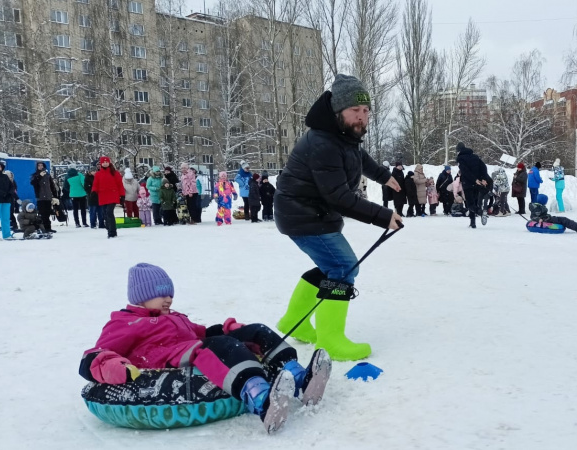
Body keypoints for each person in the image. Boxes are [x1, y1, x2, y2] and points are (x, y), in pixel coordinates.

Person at [78, 263, 332, 434]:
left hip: (190, 346)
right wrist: (114, 366)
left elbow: (199, 332)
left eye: (170, 293)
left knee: (256, 330)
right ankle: (262, 400)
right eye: (161, 293)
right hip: (168, 359)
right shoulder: (126, 322)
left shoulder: (173, 316)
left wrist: (230, 329)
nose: (169, 298)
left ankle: (299, 377)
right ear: (140, 296)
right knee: (218, 347)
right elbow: (96, 354)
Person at [273, 73, 402, 362]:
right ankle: (330, 340)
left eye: (366, 111)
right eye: (355, 111)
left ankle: (293, 321)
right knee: (343, 266)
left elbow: (359, 158)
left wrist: (384, 176)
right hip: (304, 214)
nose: (361, 117)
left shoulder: (343, 136)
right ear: (338, 111)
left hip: (310, 213)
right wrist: (383, 216)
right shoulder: (323, 142)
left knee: (330, 267)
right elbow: (339, 197)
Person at [456, 143, 491, 229]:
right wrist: (483, 178)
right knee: (475, 201)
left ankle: (480, 212)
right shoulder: (475, 157)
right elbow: (483, 167)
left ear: (459, 151)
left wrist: (474, 179)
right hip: (477, 183)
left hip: (468, 183)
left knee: (470, 204)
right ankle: (473, 223)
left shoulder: (460, 159)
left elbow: (465, 171)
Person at [92, 156, 125, 238]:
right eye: (104, 162)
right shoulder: (98, 174)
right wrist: (93, 192)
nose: (105, 163)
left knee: (109, 212)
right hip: (102, 196)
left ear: (109, 163)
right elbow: (95, 184)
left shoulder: (115, 173)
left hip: (113, 195)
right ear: (101, 163)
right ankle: (109, 228)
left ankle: (112, 231)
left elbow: (120, 185)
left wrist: (122, 195)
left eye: (107, 162)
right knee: (104, 214)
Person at [30, 161, 60, 233]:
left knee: (48, 213)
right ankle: (43, 228)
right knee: (42, 213)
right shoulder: (34, 175)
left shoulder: (48, 175)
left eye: (42, 165)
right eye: (39, 165)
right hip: (40, 197)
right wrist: (39, 176)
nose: (40, 167)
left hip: (48, 197)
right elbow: (33, 183)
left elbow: (52, 186)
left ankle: (48, 227)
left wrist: (55, 195)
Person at [0, 158, 16, 240]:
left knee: (6, 218)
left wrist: (9, 193)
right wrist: (3, 194)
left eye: (0, 166)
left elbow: (12, 186)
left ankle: (6, 235)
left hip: (6, 200)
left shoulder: (5, 176)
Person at [84, 165, 105, 229]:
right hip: (92, 197)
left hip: (99, 197)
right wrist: (92, 191)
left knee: (101, 212)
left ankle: (101, 224)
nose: (94, 172)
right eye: (93, 171)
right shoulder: (87, 178)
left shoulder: (99, 177)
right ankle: (93, 224)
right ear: (90, 172)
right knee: (93, 212)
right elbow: (86, 187)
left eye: (95, 171)